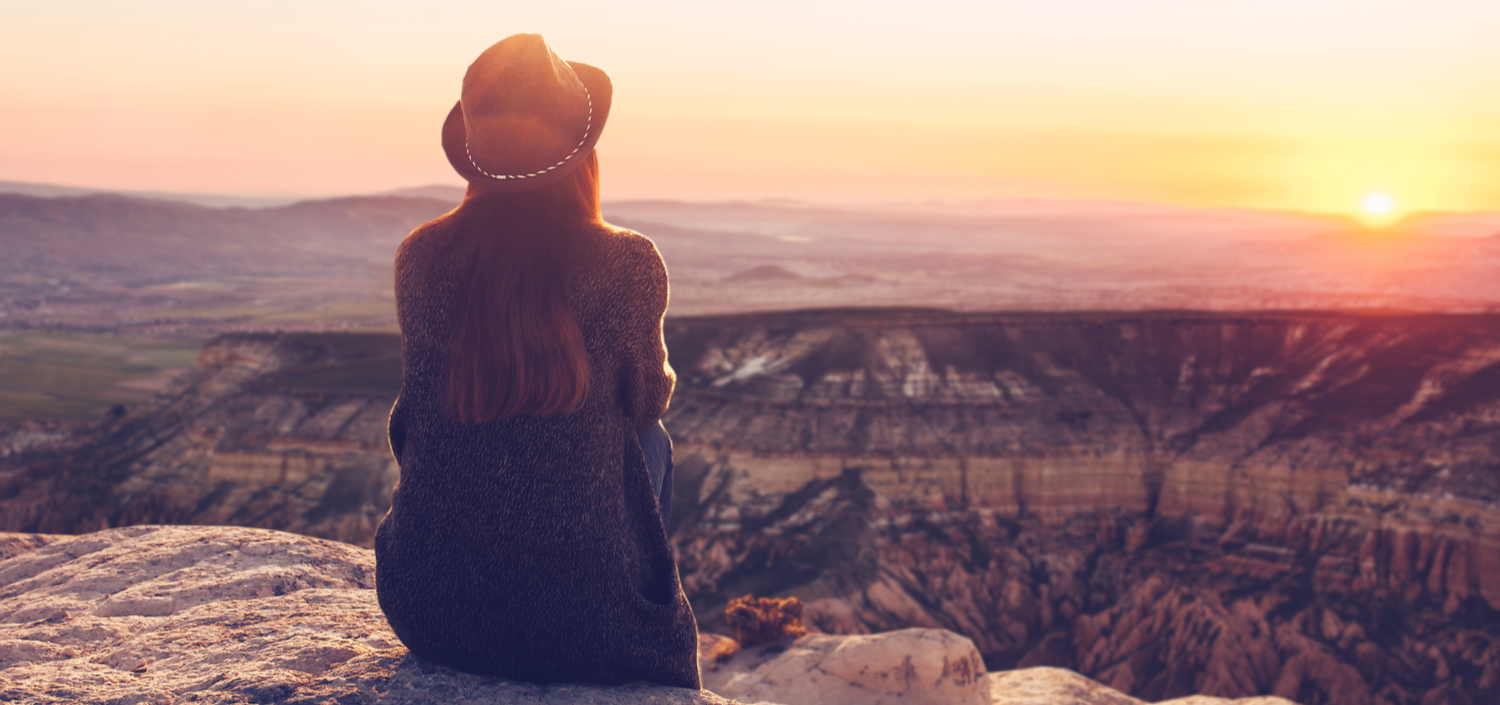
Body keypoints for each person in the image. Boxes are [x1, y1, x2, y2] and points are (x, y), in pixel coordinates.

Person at [374, 34, 699, 689]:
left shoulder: (421, 256)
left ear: (474, 158)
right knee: (648, 440)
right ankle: (626, 593)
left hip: (430, 610)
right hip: (586, 630)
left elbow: (415, 418)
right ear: (581, 154)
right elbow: (645, 402)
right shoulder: (627, 262)